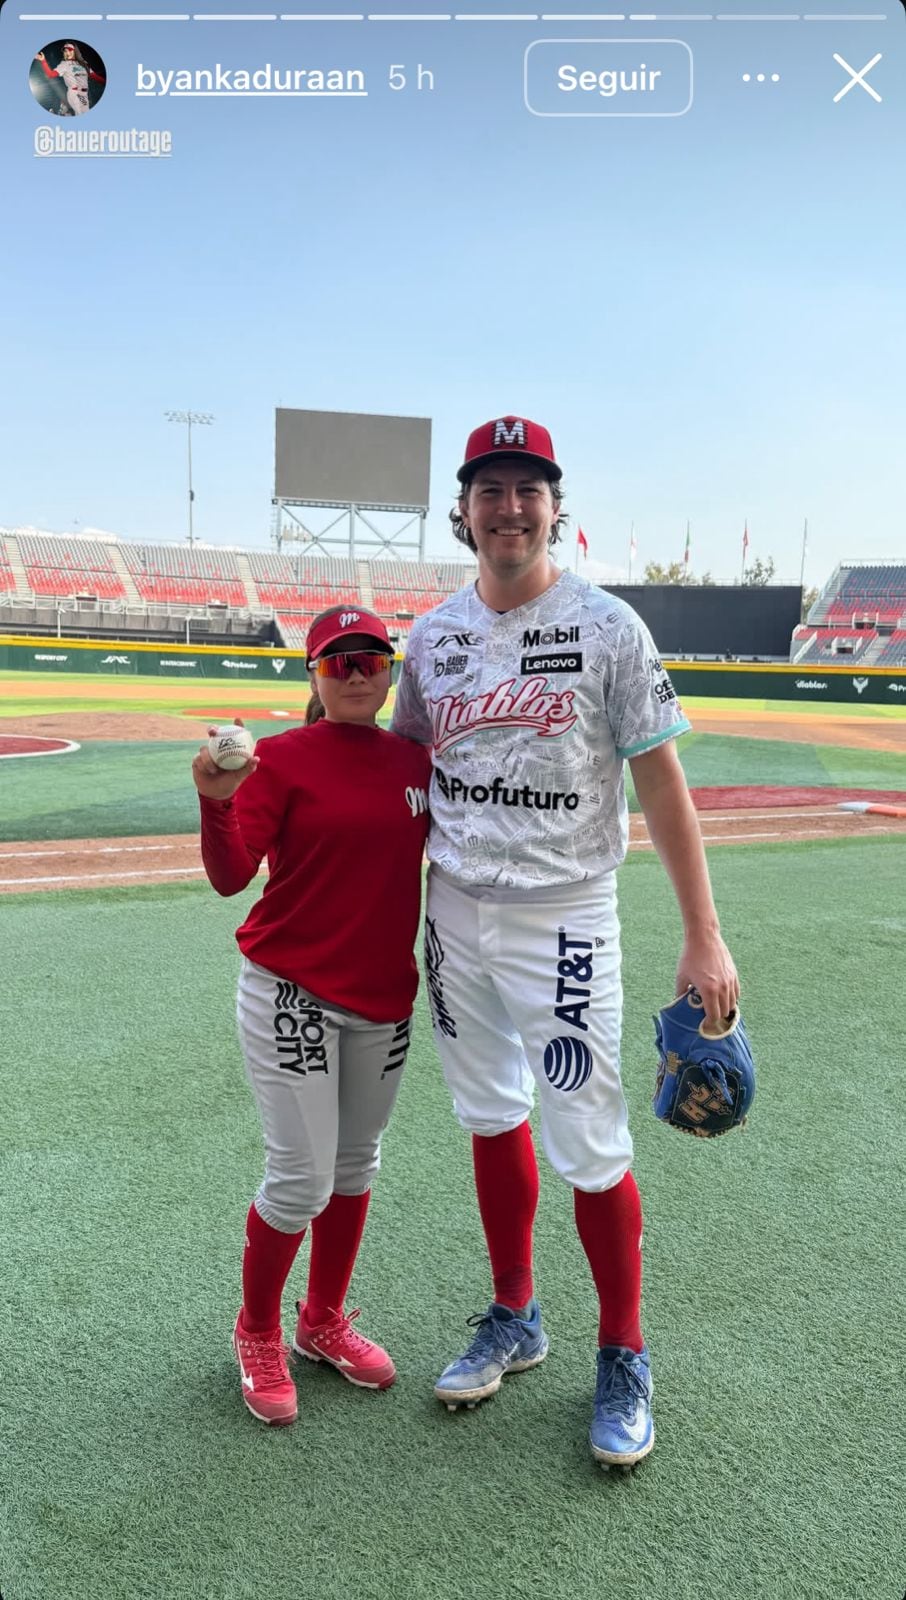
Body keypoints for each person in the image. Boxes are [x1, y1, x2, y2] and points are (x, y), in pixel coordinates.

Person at [391, 416, 739, 1467]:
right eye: (489, 489)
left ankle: (624, 1349)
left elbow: (663, 785)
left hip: (566, 913)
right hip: (455, 911)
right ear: (464, 509)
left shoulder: (609, 628)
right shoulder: (432, 638)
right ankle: (516, 1314)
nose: (509, 507)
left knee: (588, 1141)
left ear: (555, 504)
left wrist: (705, 937)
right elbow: (398, 778)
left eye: (527, 488)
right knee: (489, 1112)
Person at [193, 605, 431, 1427]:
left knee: (355, 1166)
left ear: (391, 670)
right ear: (314, 676)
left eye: (370, 657)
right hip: (290, 986)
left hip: (382, 996)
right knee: (300, 1179)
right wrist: (215, 803)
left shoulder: (417, 762)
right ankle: (257, 1329)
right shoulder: (281, 761)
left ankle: (321, 1320)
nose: (357, 671)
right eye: (338, 661)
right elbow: (231, 878)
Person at [35, 44, 105, 116]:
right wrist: (43, 61)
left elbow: (94, 76)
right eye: (65, 51)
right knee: (80, 113)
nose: (67, 52)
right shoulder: (65, 64)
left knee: (85, 112)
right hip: (74, 92)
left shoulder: (83, 64)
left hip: (84, 93)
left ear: (75, 51)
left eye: (69, 50)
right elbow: (50, 74)